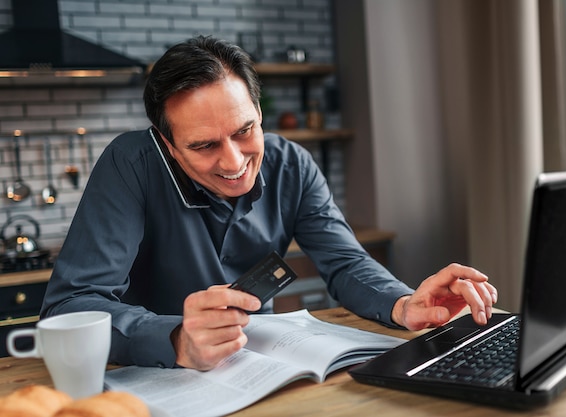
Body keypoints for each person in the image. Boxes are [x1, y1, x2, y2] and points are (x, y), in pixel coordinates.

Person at [40, 35, 497, 371]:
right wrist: (175, 338)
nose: (235, 161)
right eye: (203, 146)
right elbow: (72, 307)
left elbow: (345, 263)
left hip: (260, 374)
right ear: (168, 144)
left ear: (259, 113)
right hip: (148, 383)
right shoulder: (130, 163)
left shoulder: (292, 164)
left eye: (244, 131)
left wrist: (402, 303)